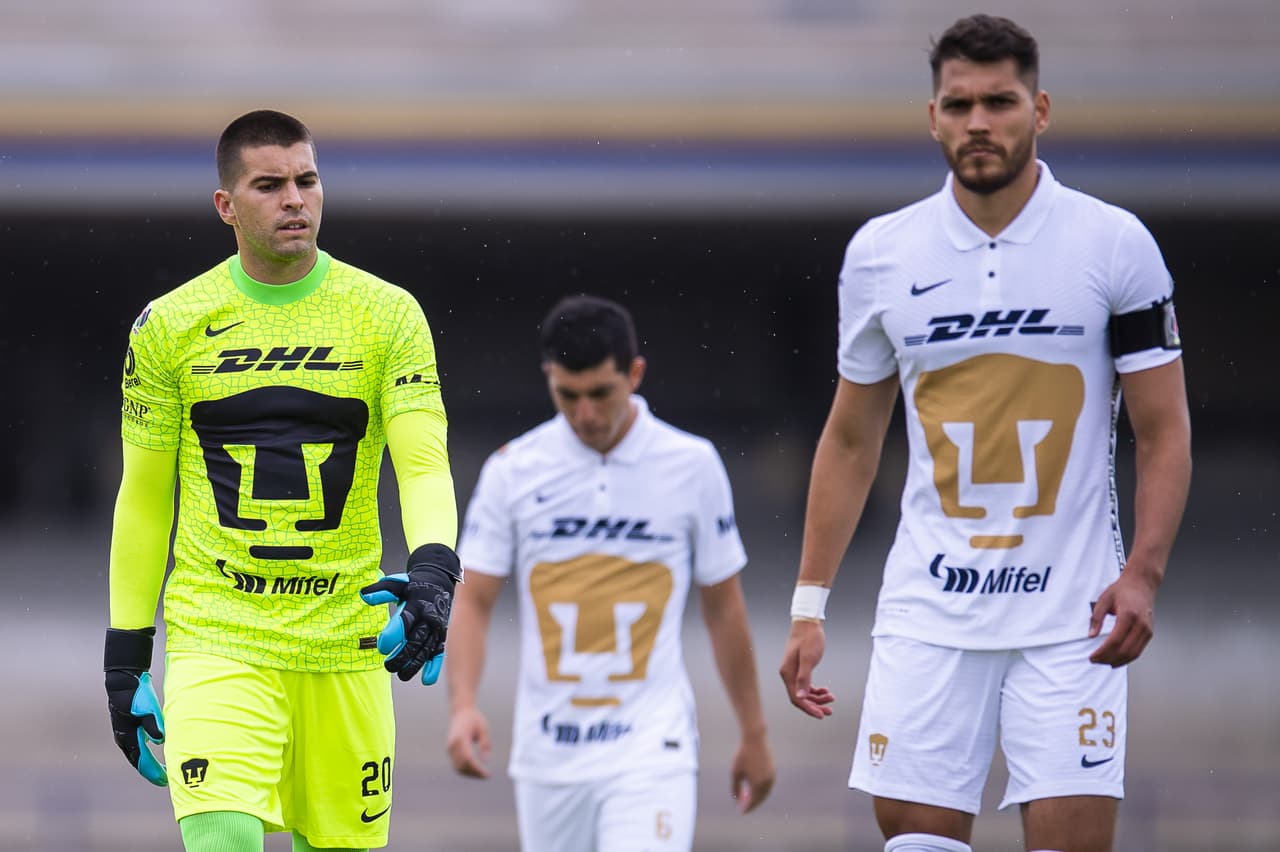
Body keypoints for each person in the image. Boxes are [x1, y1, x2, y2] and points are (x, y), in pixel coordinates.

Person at [778, 14, 1192, 852]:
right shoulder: (881, 255)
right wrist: (807, 607)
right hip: (929, 616)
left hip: (1073, 621)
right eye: (958, 103)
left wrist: (1143, 574)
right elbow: (852, 441)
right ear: (931, 115)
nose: (978, 123)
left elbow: (1164, 428)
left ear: (1040, 110)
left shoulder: (1114, 245)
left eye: (999, 102)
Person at [104, 109, 461, 852]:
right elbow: (143, 500)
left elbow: (423, 462)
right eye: (269, 185)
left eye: (307, 179)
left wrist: (433, 575)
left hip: (347, 644)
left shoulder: (389, 315)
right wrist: (125, 657)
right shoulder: (168, 326)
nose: (295, 199)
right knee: (222, 834)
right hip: (218, 637)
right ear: (226, 207)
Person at [445, 294, 775, 850]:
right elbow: (473, 599)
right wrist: (462, 706)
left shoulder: (691, 463)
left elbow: (723, 607)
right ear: (548, 377)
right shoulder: (511, 469)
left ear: (635, 373)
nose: (586, 415)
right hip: (546, 754)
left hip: (653, 746)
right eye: (567, 396)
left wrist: (755, 733)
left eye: (601, 393)